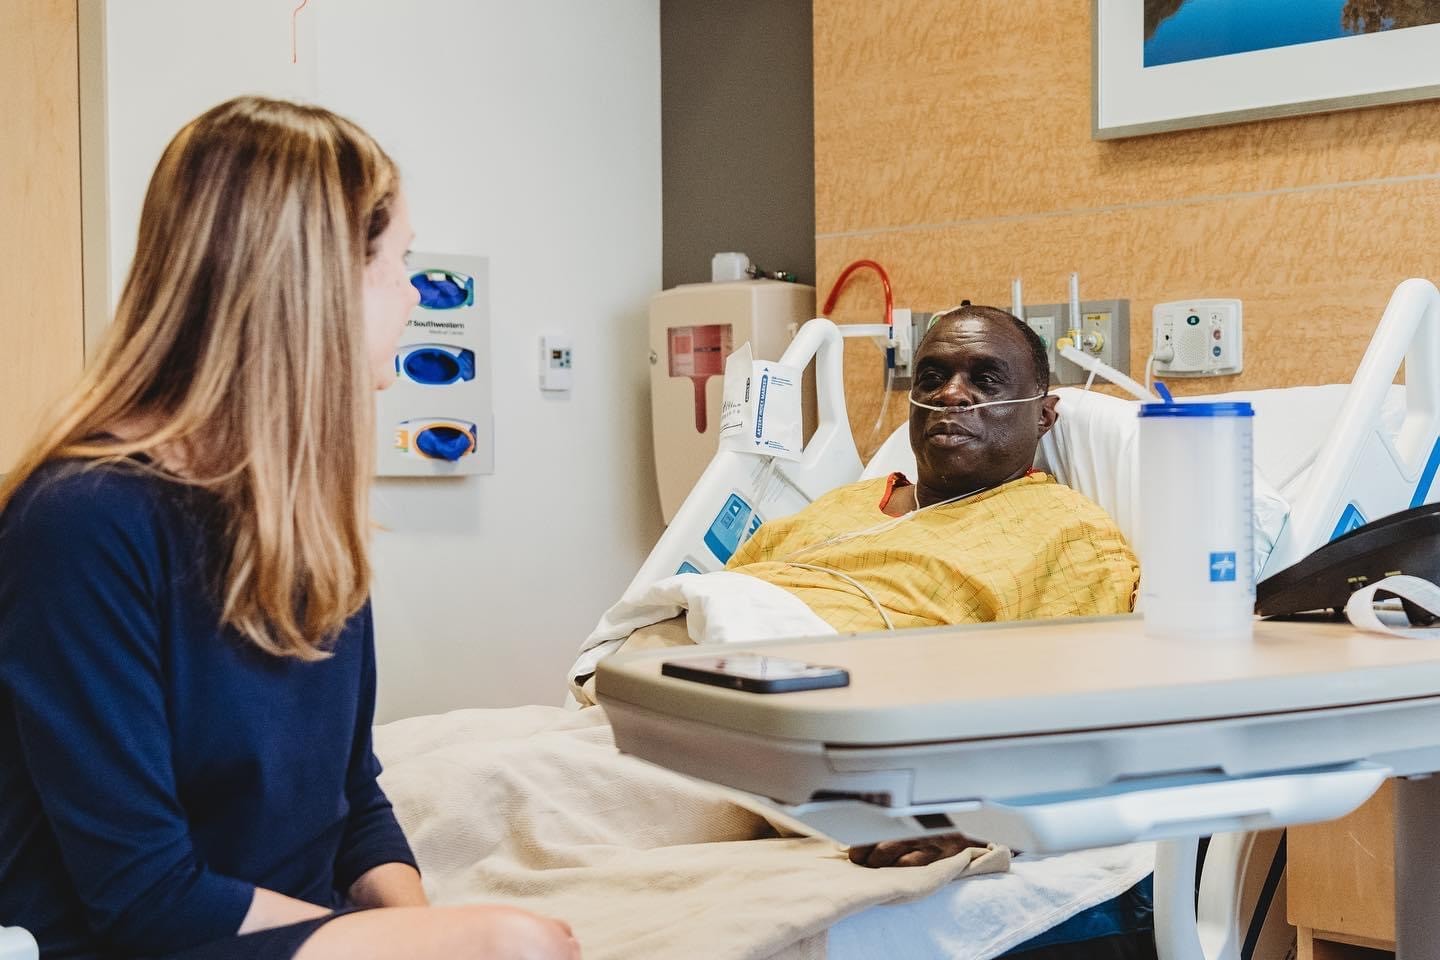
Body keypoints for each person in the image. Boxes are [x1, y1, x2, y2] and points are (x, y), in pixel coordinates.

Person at [0, 98, 578, 960]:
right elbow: (147, 901)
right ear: (314, 283)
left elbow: (353, 803)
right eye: (398, 262)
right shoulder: (81, 522)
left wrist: (422, 930)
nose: (413, 294)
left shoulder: (302, 514)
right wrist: (444, 942)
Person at [724, 304, 1138, 633]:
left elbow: (1068, 685)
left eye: (986, 380)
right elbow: (722, 591)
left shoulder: (1068, 536)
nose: (950, 394)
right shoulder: (841, 504)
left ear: (1043, 417)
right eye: (932, 378)